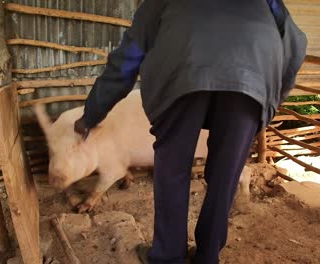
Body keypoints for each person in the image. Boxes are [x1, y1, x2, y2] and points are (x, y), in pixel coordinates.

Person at [73, 0, 307, 263]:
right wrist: (270, 103)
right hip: (251, 81)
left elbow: (126, 61)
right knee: (225, 176)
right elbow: (296, 46)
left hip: (181, 74)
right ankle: (207, 257)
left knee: (172, 171)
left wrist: (92, 114)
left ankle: (167, 257)